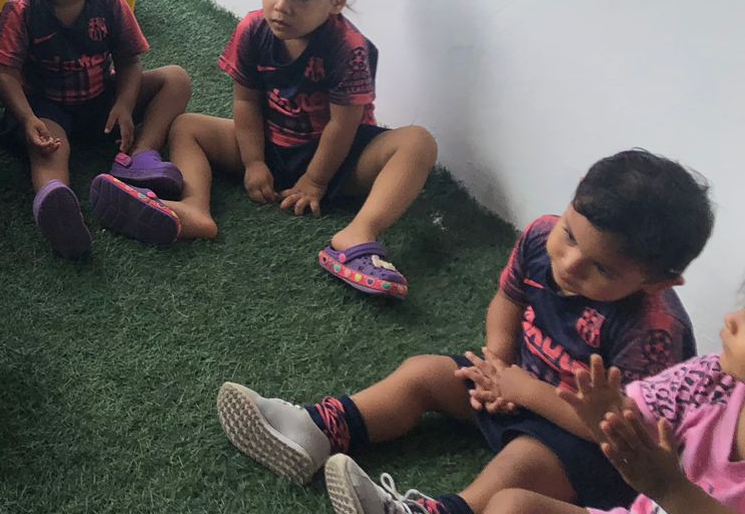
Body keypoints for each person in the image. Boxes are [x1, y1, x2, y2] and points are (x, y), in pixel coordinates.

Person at [217, 150, 715, 514]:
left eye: (601, 269)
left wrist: (522, 388)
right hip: (515, 386)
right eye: (570, 235)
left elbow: (617, 430)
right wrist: (497, 359)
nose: (570, 263)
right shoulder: (540, 235)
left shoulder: (654, 330)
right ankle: (315, 430)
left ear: (658, 281)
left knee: (520, 464)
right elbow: (509, 300)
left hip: (588, 448)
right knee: (425, 373)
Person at [106, 0, 436, 295]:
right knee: (186, 127)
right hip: (272, 145)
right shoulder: (252, 29)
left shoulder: (349, 48)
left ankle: (357, 234)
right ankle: (195, 208)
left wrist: (315, 181)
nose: (281, 6)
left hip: (339, 160)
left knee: (417, 142)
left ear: (337, 0)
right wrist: (254, 162)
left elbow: (343, 126)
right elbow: (246, 101)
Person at [0, 0, 193, 257]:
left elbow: (129, 61)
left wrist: (125, 104)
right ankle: (55, 201)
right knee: (50, 148)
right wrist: (27, 118)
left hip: (102, 99)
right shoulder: (21, 10)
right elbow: (5, 72)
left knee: (176, 78)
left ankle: (140, 157)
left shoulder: (109, 1)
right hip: (47, 107)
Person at [488, 303, 745, 514]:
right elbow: (644, 428)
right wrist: (614, 418)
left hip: (667, 493)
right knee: (512, 506)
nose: (732, 319)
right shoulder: (712, 378)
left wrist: (670, 489)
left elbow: (666, 487)